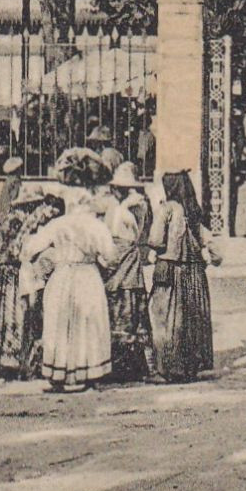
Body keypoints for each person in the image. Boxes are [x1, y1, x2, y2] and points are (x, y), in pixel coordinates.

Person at [25, 149, 116, 392]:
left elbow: (30, 248)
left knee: (60, 322)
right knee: (87, 322)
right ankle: (85, 373)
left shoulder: (58, 224)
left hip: (62, 275)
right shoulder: (96, 226)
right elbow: (111, 255)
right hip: (87, 275)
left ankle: (60, 374)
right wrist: (99, 260)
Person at [148, 170, 218, 382]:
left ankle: (167, 369)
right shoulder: (194, 211)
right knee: (191, 319)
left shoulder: (167, 209)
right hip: (195, 273)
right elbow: (212, 246)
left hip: (172, 270)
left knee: (166, 319)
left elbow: (156, 239)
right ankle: (190, 368)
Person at [0, 187, 61, 379]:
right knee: (21, 314)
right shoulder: (27, 220)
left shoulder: (10, 217)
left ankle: (6, 359)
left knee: (7, 315)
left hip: (5, 272)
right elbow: (21, 250)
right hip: (16, 271)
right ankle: (21, 361)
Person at [103, 162, 153, 382]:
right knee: (119, 303)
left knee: (127, 303)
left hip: (126, 255)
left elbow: (136, 231)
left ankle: (131, 364)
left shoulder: (136, 206)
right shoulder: (119, 206)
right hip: (117, 254)